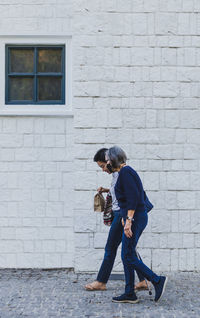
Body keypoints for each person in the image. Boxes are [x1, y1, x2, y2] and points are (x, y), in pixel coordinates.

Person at [106, 146, 168, 304]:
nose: (106, 162)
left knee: (127, 254)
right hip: (133, 217)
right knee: (127, 254)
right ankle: (129, 293)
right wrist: (124, 218)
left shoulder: (126, 172)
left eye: (107, 159)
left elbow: (133, 198)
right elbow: (127, 198)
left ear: (114, 159)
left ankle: (157, 280)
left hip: (136, 218)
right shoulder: (124, 172)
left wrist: (128, 221)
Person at [85, 148, 149, 291]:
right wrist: (107, 190)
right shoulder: (117, 174)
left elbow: (131, 196)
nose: (103, 169)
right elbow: (120, 191)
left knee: (111, 248)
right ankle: (144, 280)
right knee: (130, 249)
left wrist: (128, 220)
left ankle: (101, 281)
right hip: (121, 214)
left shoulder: (123, 173)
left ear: (110, 161)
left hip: (122, 215)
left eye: (103, 165)